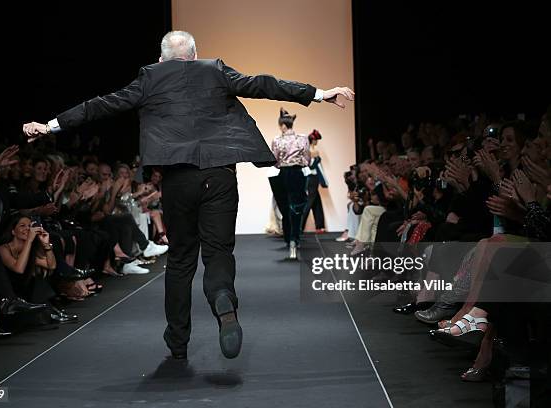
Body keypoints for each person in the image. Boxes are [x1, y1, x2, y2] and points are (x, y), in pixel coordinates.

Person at [22, 30, 354, 360]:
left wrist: (50, 126)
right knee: (219, 252)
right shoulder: (216, 69)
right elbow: (263, 84)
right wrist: (321, 94)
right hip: (220, 175)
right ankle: (222, 296)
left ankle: (178, 341)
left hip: (178, 179)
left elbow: (102, 105)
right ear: (194, 55)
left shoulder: (150, 78)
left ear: (161, 58)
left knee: (180, 260)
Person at [271, 108, 310, 259]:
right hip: (298, 173)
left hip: (283, 174)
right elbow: (307, 160)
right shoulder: (302, 138)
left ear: (282, 125)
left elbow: (275, 162)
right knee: (297, 206)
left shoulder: (277, 140)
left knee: (285, 206)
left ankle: (289, 240)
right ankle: (295, 238)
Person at [302, 129, 327, 233]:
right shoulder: (311, 151)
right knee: (309, 202)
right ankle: (300, 226)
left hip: (314, 177)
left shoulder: (310, 151)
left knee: (316, 202)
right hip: (311, 178)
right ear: (313, 140)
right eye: (316, 140)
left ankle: (319, 226)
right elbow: (310, 165)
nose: (317, 142)